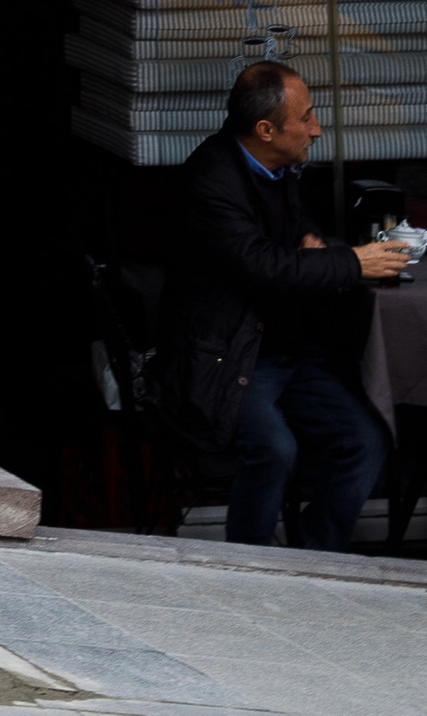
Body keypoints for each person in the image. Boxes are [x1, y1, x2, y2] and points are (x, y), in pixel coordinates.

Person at [160, 62, 405, 547]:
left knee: (365, 441)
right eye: (307, 117)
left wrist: (307, 236)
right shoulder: (211, 180)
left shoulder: (276, 165)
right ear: (265, 129)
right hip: (228, 356)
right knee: (275, 449)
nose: (317, 128)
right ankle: (253, 568)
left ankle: (315, 558)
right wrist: (353, 263)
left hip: (286, 348)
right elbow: (262, 266)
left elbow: (285, 232)